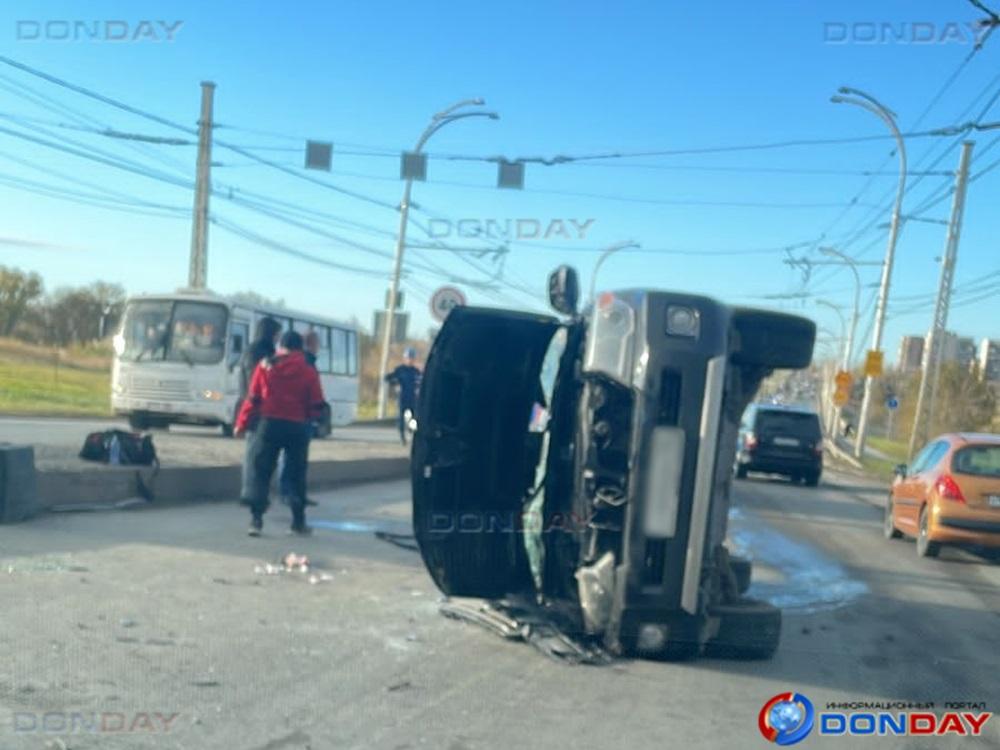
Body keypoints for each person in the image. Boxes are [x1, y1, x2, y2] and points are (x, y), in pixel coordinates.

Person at [235, 330, 326, 536]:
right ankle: (298, 522)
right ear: (300, 348)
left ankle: (256, 521)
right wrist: (311, 419)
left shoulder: (266, 365)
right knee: (296, 474)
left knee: (262, 471)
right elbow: (316, 401)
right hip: (297, 427)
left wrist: (241, 424)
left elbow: (253, 399)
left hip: (269, 424)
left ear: (281, 347)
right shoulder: (308, 369)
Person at [237, 317, 282, 500]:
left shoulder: (251, 350)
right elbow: (259, 385)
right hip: (259, 411)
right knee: (254, 455)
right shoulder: (263, 353)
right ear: (271, 333)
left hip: (253, 408)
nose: (278, 338)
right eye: (277, 334)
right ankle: (250, 493)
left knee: (254, 454)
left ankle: (253, 492)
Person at [278, 329, 322, 506]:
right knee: (293, 458)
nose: (318, 347)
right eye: (317, 344)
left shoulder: (304, 360)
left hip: (298, 415)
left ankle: (295, 494)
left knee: (296, 459)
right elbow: (312, 390)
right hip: (300, 417)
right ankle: (289, 493)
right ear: (311, 344)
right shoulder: (306, 362)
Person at [384, 347, 422, 445]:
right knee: (401, 418)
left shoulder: (416, 371)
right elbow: (387, 378)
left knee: (415, 417)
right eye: (408, 358)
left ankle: (411, 430)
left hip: (413, 398)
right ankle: (402, 438)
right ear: (405, 359)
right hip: (402, 397)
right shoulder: (399, 370)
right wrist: (395, 384)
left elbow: (421, 381)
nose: (410, 360)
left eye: (412, 358)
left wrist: (419, 388)